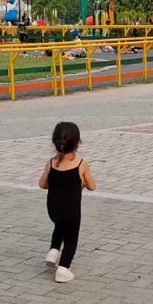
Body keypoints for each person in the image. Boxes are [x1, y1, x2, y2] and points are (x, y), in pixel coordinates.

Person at [39, 121, 96, 284]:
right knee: (71, 238)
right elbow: (92, 186)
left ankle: (53, 251)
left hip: (53, 209)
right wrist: (82, 184)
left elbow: (42, 184)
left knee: (60, 225)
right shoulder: (81, 163)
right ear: (77, 142)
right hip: (71, 210)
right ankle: (63, 269)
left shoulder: (50, 163)